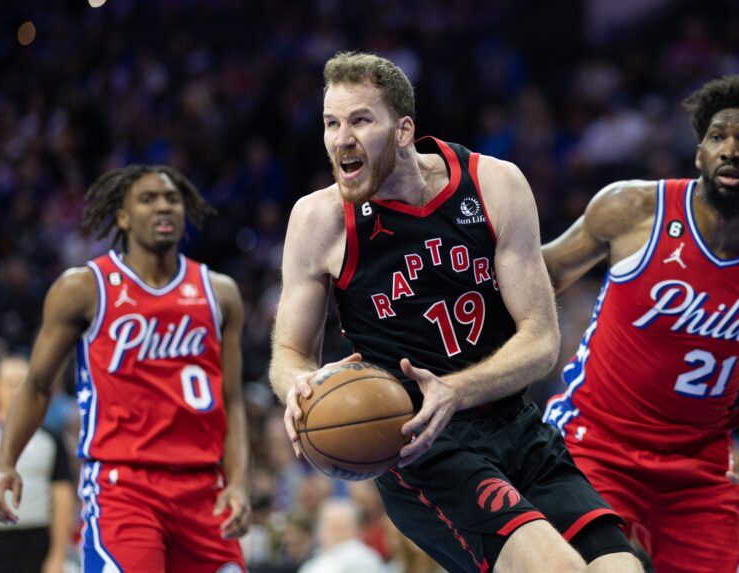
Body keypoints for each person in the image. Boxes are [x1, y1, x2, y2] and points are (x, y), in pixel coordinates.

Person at [269, 51, 642, 573]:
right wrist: (298, 388)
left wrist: (458, 389)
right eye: (331, 123)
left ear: (402, 131)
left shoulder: (494, 185)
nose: (340, 139)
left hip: (518, 425)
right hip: (423, 447)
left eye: (359, 120)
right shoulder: (319, 220)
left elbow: (540, 340)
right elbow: (288, 351)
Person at [542, 74, 739, 572]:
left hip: (701, 466)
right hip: (596, 444)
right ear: (699, 153)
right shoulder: (633, 210)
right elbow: (545, 271)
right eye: (717, 138)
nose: (730, 150)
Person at [0, 165, 250, 572]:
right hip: (123, 486)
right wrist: (7, 461)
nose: (163, 206)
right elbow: (38, 385)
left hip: (204, 488)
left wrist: (238, 481)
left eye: (172, 199)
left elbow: (231, 401)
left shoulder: (220, 293)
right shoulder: (83, 288)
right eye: (148, 199)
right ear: (123, 217)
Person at [0, 356, 75, 573]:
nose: (15, 390)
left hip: (36, 542)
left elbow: (62, 495)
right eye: (9, 383)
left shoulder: (50, 439)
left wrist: (58, 554)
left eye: (22, 383)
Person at [297, 498, 388, 573]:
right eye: (328, 526)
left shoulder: (361, 556)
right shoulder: (319, 557)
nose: (332, 533)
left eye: (339, 528)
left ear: (355, 529)